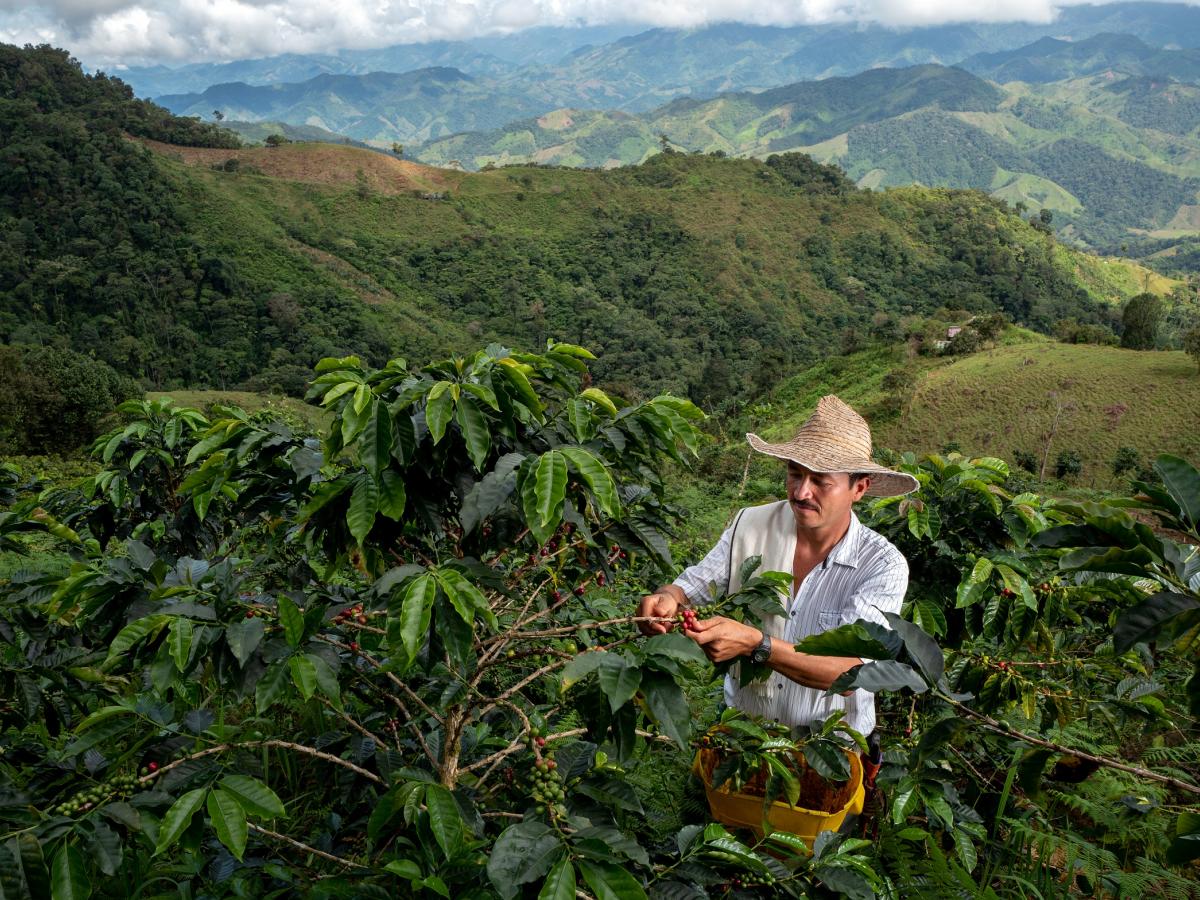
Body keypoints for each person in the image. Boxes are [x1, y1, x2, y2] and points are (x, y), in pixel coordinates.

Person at [637, 395, 918, 735]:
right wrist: (667, 598)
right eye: (795, 474)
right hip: (744, 736)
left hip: (830, 748)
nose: (801, 493)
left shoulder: (882, 566)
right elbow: (691, 589)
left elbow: (850, 674)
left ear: (859, 488)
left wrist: (757, 644)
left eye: (821, 482)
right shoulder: (749, 526)